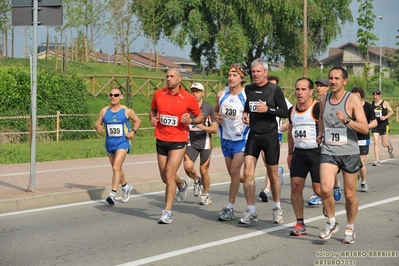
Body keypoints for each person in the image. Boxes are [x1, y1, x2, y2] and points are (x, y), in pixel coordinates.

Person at [317, 67, 368, 244]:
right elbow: (321, 119)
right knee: (325, 188)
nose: (332, 81)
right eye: (330, 78)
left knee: (349, 194)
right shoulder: (323, 99)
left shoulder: (352, 99)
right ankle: (331, 221)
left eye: (336, 78)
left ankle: (350, 228)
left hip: (349, 152)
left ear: (344, 81)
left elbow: (365, 127)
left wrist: (347, 120)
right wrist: (321, 133)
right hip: (329, 151)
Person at [149, 68, 204, 224]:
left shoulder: (187, 98)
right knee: (165, 177)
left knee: (169, 173)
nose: (168, 78)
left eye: (172, 76)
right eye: (167, 76)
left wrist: (191, 121)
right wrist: (152, 119)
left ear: (180, 79)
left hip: (178, 140)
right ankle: (182, 183)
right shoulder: (159, 94)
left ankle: (167, 212)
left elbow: (199, 116)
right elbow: (152, 111)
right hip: (161, 138)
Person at [241, 58, 288, 224]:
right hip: (254, 135)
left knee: (272, 174)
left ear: (265, 73)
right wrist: (245, 113)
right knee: (247, 172)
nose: (255, 74)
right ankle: (251, 211)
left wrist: (268, 109)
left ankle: (277, 207)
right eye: (253, 72)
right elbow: (249, 104)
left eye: (258, 71)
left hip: (270, 136)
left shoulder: (275, 90)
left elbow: (284, 112)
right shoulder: (249, 88)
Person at [94, 87, 141, 205]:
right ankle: (125, 186)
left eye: (116, 95)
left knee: (116, 167)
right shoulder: (104, 111)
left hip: (123, 142)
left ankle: (112, 193)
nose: (113, 97)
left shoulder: (126, 111)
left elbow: (138, 120)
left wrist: (133, 132)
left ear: (121, 97)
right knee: (117, 168)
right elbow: (97, 122)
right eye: (111, 95)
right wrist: (97, 127)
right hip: (109, 143)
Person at [287, 77, 321, 236]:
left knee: (320, 190)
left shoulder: (317, 107)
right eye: (297, 89)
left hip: (317, 153)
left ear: (311, 91)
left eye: (303, 89)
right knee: (295, 186)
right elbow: (290, 131)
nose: (300, 93)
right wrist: (290, 152)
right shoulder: (292, 110)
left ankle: (330, 214)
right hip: (299, 153)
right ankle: (299, 222)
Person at [215, 64, 250, 222]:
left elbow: (253, 114)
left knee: (235, 171)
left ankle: (230, 207)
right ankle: (250, 181)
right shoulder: (222, 94)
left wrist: (250, 119)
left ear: (241, 78)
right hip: (226, 138)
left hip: (242, 139)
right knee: (233, 173)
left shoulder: (246, 96)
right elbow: (216, 111)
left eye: (234, 75)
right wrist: (217, 117)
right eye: (229, 75)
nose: (231, 78)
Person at [258, 75, 292, 203]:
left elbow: (293, 112)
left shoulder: (282, 99)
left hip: (275, 133)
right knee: (267, 162)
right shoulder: (260, 97)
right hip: (261, 133)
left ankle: (266, 190)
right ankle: (278, 171)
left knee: (270, 161)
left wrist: (288, 123)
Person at [308, 78, 341, 206]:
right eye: (318, 86)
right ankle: (319, 194)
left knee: (331, 165)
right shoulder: (316, 103)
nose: (319, 88)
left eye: (322, 86)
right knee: (323, 167)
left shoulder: (331, 102)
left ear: (327, 88)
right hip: (318, 139)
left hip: (331, 137)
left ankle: (335, 186)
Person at [183, 82, 218, 205]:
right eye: (192, 91)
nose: (194, 93)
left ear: (202, 93)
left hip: (205, 143)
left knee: (204, 171)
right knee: (187, 166)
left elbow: (215, 129)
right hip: (191, 142)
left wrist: (202, 127)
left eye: (197, 91)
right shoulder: (186, 107)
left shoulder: (208, 108)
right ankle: (196, 180)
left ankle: (206, 195)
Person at [351, 87, 377, 192]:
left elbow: (375, 122)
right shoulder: (349, 106)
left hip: (363, 137)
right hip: (351, 137)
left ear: (361, 97)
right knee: (352, 162)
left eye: (357, 97)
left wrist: (366, 126)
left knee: (361, 162)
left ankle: (364, 182)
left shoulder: (368, 107)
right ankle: (354, 177)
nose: (355, 99)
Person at [371, 89, 394, 166]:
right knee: (376, 142)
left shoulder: (384, 103)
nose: (375, 97)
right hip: (375, 125)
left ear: (380, 95)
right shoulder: (372, 104)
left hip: (384, 125)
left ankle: (389, 144)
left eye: (376, 95)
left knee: (384, 144)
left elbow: (392, 111)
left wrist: (385, 117)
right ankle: (377, 160)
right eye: (374, 95)